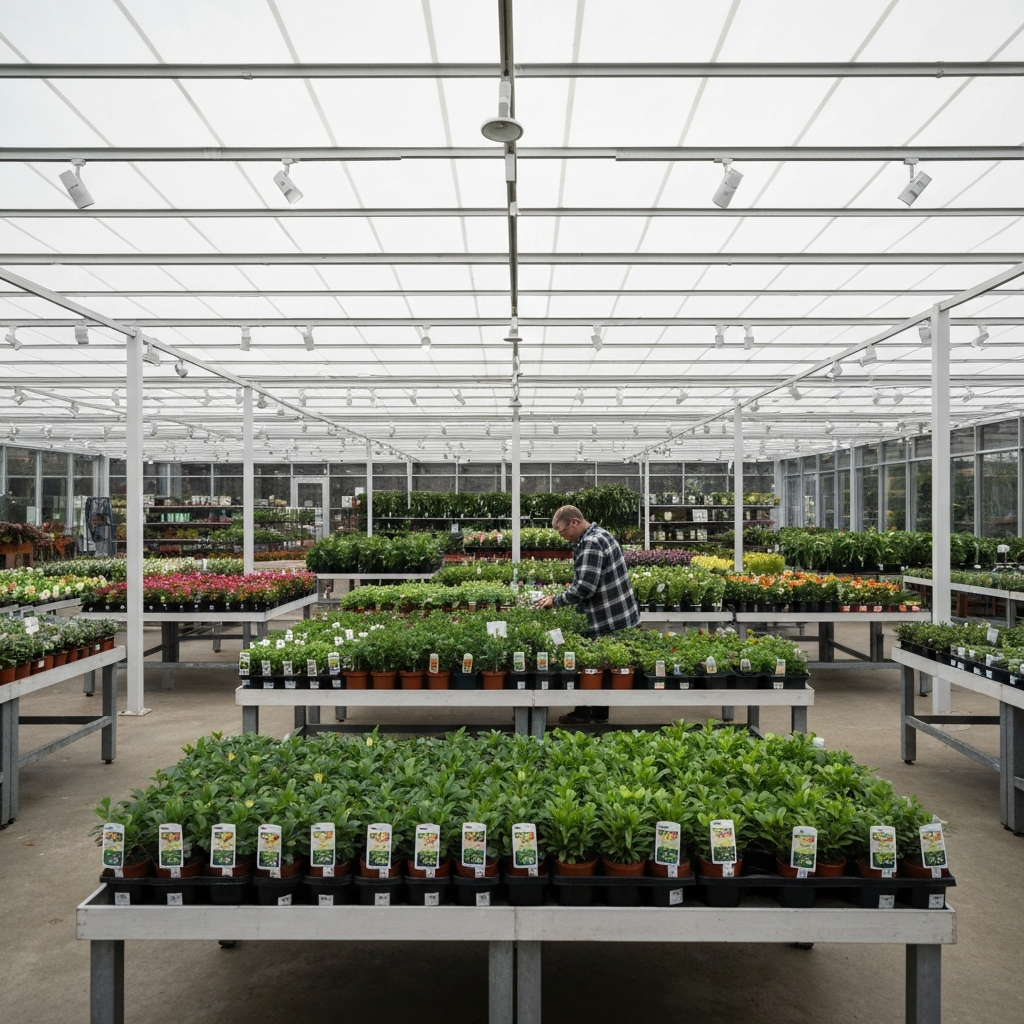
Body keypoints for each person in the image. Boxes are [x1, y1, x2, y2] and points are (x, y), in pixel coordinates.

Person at [533, 504, 640, 724]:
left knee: (593, 665)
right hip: (616, 612)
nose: (562, 537)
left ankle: (586, 713)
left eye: (563, 531)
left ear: (574, 522)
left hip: (607, 617)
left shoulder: (591, 543)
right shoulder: (601, 534)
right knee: (602, 664)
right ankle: (597, 714)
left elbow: (584, 588)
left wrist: (556, 600)